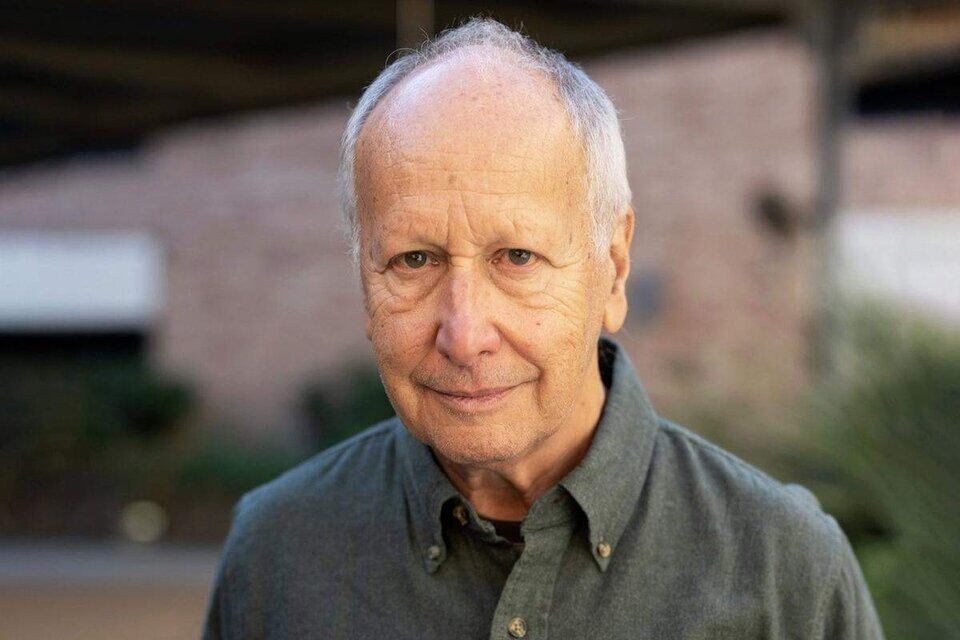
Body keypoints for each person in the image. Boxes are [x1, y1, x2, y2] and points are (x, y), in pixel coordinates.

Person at [202, 18, 884, 639]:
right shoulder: (275, 556)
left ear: (613, 271)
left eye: (517, 257)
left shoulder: (782, 571)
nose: (464, 334)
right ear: (362, 278)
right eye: (414, 259)